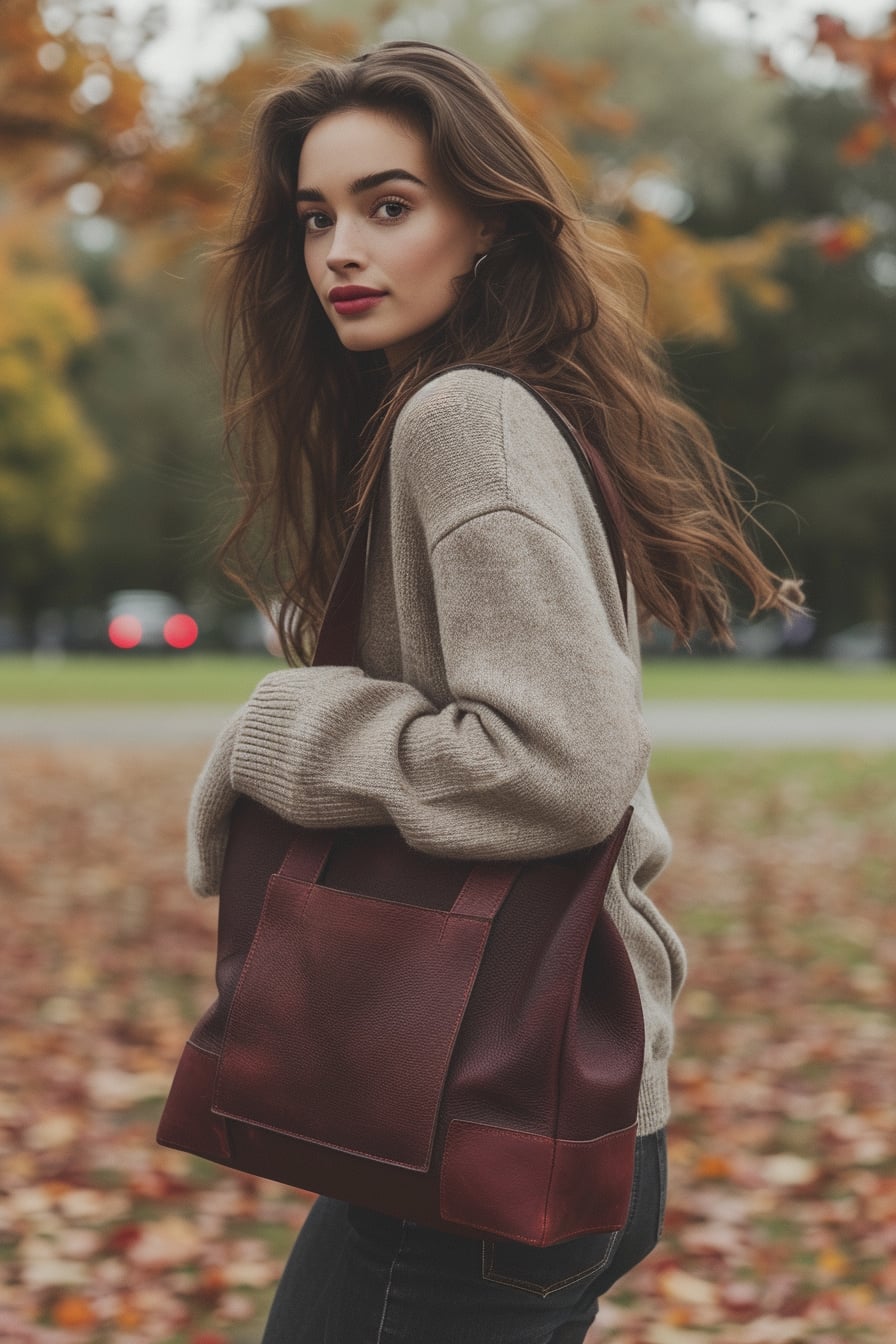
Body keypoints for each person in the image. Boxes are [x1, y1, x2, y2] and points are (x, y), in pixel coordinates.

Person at [185, 39, 803, 1344]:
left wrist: (284, 730)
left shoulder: (464, 417)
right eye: (317, 217)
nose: (340, 250)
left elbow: (561, 761)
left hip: (484, 1115)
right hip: (468, 1105)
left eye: (388, 206)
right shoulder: (497, 406)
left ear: (486, 223)